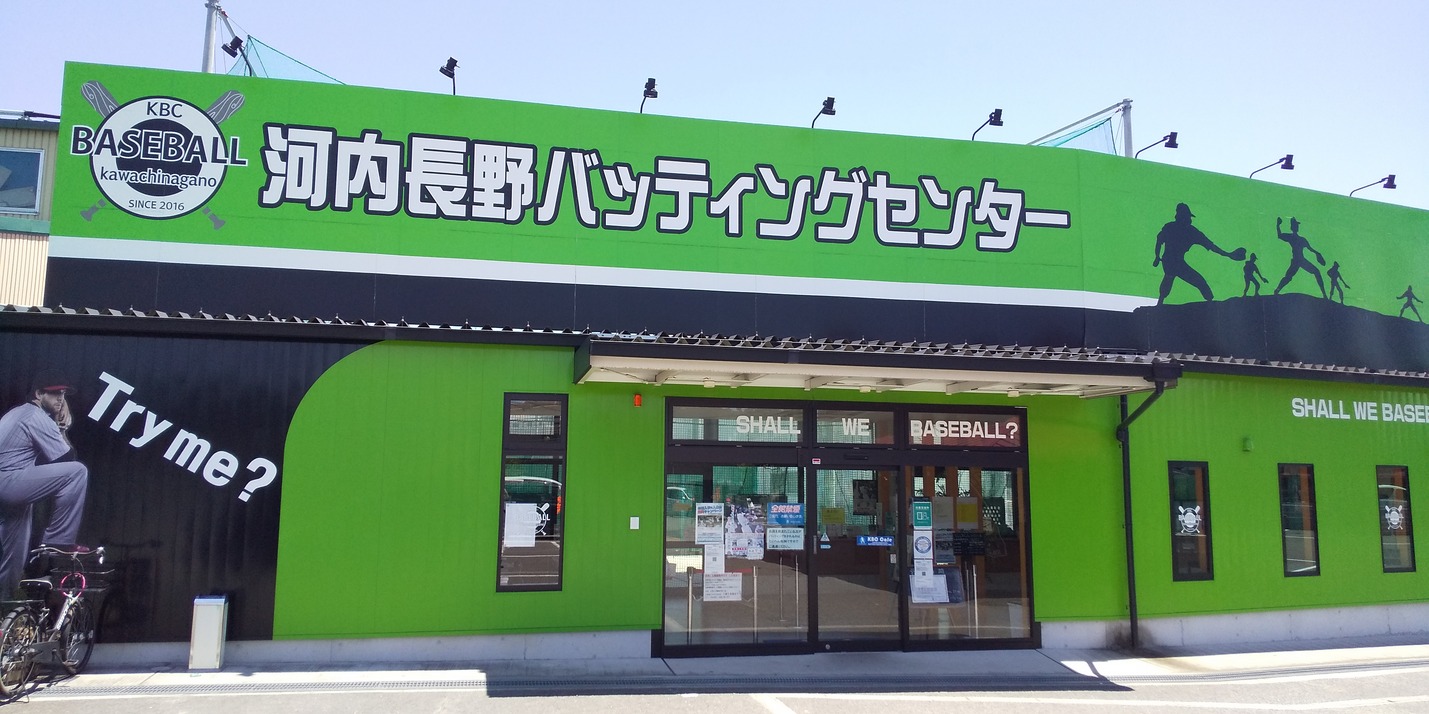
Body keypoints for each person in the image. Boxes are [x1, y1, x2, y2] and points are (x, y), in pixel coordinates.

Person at [0, 375, 90, 595]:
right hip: (8, 482)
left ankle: (4, 606)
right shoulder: (35, 415)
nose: (60, 399)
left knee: (14, 561)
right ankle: (59, 540)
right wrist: (62, 428)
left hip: (12, 489)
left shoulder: (17, 412)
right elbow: (66, 458)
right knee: (77, 471)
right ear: (39, 394)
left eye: (63, 394)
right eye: (54, 393)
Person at [1153, 203, 1243, 304]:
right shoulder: (1173, 228)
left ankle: (1209, 302)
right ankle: (1210, 302)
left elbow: (1210, 245)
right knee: (1180, 278)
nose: (1189, 219)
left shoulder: (1191, 231)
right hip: (1170, 261)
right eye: (1187, 216)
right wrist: (1157, 256)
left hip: (1174, 261)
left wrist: (1228, 254)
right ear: (1181, 216)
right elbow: (1159, 241)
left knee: (1179, 279)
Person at [1272, 217, 1328, 298]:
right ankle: (1277, 290)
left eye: (1297, 225)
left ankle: (1324, 294)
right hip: (1296, 261)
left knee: (1316, 272)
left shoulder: (1302, 239)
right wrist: (1278, 225)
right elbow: (1280, 235)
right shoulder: (1291, 237)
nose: (1297, 227)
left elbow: (1310, 249)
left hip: (1301, 260)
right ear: (1292, 227)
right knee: (1288, 277)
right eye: (1295, 225)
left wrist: (1317, 254)